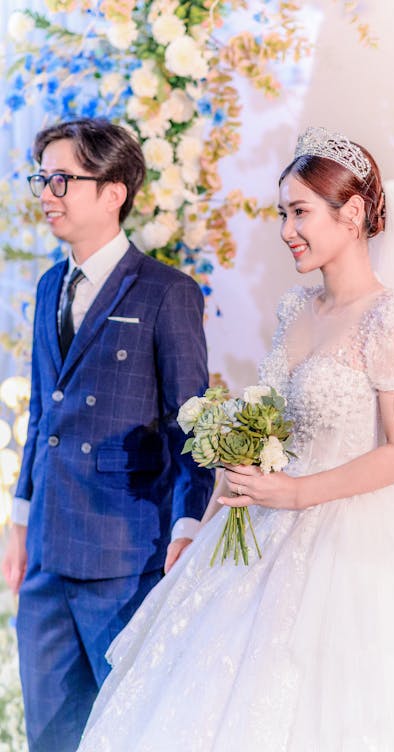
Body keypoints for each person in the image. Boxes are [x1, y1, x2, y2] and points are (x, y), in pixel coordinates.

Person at [77, 127, 394, 751]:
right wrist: (201, 524)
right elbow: (258, 430)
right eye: (282, 213)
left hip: (355, 539)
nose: (286, 230)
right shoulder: (295, 308)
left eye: (300, 211)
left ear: (351, 214)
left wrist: (298, 493)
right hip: (259, 529)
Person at [0, 117, 214, 752]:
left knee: (130, 732)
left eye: (63, 178)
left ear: (115, 190)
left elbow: (191, 424)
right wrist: (19, 524)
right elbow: (43, 415)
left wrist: (187, 527)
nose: (48, 192)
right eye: (43, 177)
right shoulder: (47, 286)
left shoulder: (166, 291)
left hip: (127, 556)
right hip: (45, 556)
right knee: (51, 738)